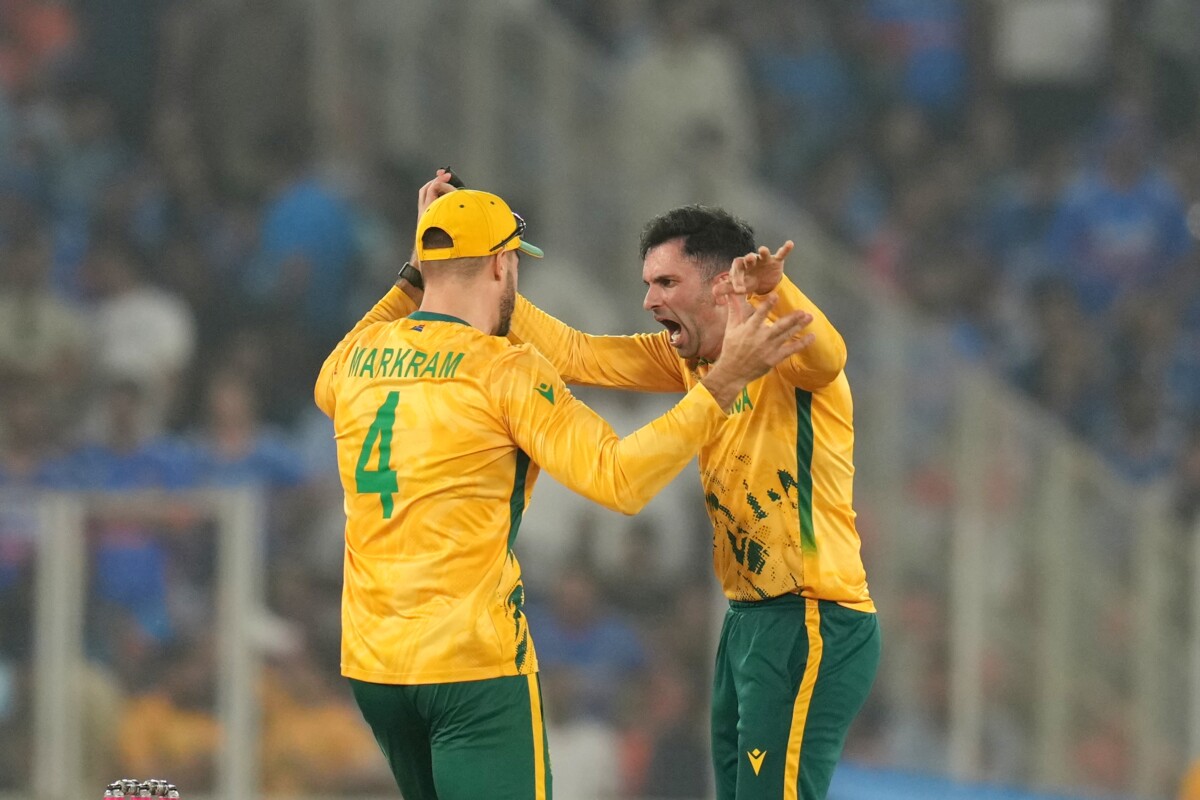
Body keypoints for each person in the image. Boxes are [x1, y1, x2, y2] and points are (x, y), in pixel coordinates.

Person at [314, 183, 814, 800]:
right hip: (470, 668)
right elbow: (621, 478)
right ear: (503, 264)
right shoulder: (504, 369)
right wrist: (722, 385)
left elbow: (330, 378)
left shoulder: (356, 357)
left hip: (373, 667)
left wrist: (415, 275)